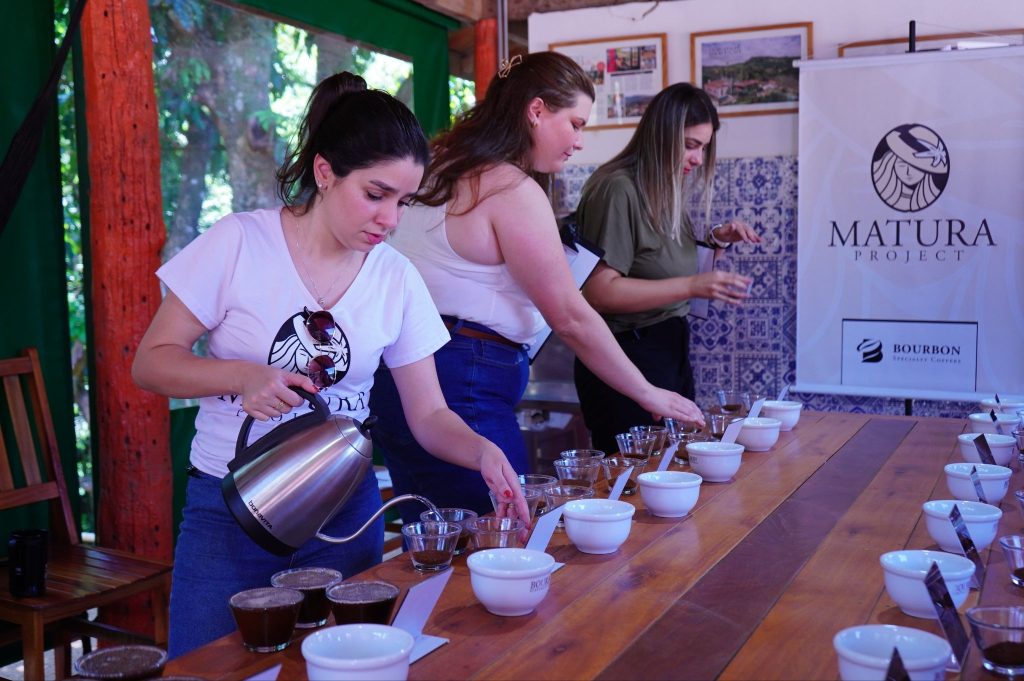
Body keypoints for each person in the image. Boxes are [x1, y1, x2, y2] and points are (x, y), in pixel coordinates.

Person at [132, 72, 528, 658]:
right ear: (324, 172)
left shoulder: (394, 277)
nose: (390, 219)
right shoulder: (239, 243)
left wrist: (483, 453)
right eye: (375, 194)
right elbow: (151, 364)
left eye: (403, 201)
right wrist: (241, 376)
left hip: (344, 514)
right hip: (230, 509)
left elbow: (429, 413)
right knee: (203, 668)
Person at [369, 52, 705, 525]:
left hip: (404, 377)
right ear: (536, 110)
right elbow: (570, 315)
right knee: (498, 535)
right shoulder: (508, 186)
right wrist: (649, 394)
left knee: (433, 542)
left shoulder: (439, 162)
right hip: (463, 383)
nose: (578, 143)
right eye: (574, 124)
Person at [572, 82, 762, 455]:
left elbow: (662, 268)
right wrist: (693, 285)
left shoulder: (665, 188)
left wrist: (715, 244)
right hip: (627, 358)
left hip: (668, 348)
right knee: (634, 488)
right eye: (691, 145)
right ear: (661, 134)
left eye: (704, 148)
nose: (697, 159)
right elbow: (599, 291)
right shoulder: (617, 189)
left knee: (671, 475)